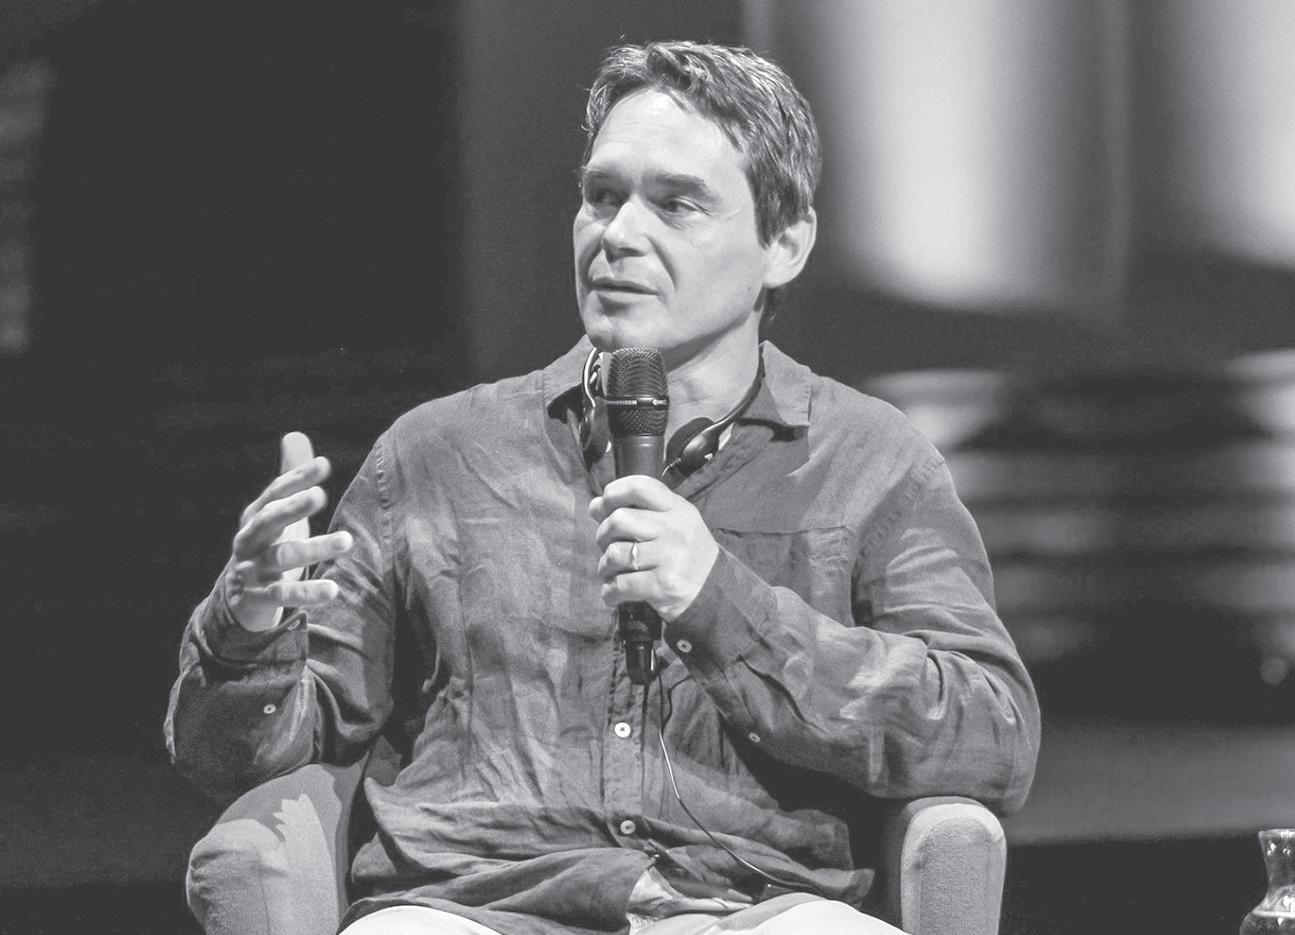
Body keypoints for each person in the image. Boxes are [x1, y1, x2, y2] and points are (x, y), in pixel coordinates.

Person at [166, 40, 1039, 935]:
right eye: (601, 195)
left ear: (783, 243)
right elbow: (247, 756)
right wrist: (251, 630)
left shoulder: (871, 459)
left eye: (675, 203)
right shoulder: (434, 454)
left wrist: (721, 603)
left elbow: (991, 733)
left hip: (752, 908)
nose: (617, 234)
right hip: (477, 908)